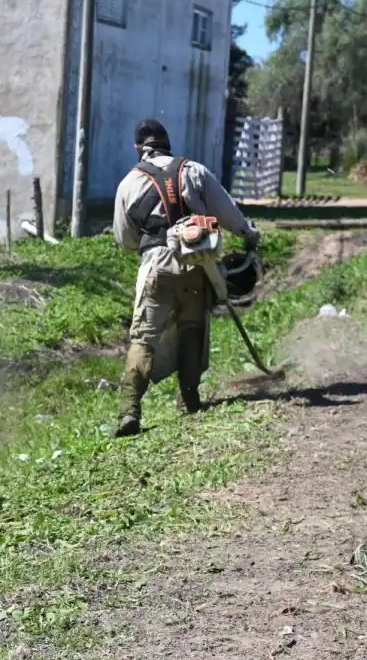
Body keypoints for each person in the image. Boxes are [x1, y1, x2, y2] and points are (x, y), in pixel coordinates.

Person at [111, 118, 261, 438]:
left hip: (155, 266)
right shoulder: (193, 170)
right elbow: (228, 212)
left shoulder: (129, 182)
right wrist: (249, 235)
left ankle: (129, 412)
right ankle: (189, 401)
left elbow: (125, 240)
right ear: (168, 143)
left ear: (138, 148)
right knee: (193, 329)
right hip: (198, 263)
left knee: (144, 338)